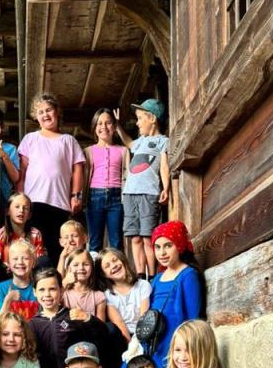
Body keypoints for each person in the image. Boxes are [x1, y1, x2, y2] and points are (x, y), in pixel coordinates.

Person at [112, 221, 203, 368]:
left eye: (168, 246)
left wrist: (186, 349)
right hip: (151, 341)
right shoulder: (157, 279)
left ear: (180, 245)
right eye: (158, 247)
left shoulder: (188, 275)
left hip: (173, 343)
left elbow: (193, 318)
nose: (162, 252)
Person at [29, 268, 107, 368]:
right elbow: (36, 356)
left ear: (62, 290)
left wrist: (88, 318)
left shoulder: (73, 315)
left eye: (52, 289)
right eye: (42, 290)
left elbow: (103, 335)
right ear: (34, 292)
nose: (47, 295)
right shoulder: (32, 324)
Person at [17, 93, 86, 264]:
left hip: (59, 202)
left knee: (57, 249)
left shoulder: (68, 140)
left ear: (57, 112)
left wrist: (76, 195)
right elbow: (22, 170)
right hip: (34, 202)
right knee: (34, 248)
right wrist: (20, 195)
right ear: (36, 117)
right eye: (41, 112)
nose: (45, 115)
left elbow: (78, 169)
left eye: (49, 110)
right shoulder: (30, 139)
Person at [114, 99, 170, 278]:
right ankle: (140, 275)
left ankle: (152, 275)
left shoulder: (163, 141)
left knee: (148, 237)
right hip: (130, 193)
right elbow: (129, 143)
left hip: (149, 193)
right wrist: (117, 127)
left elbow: (163, 166)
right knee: (135, 237)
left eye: (140, 118)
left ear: (152, 119)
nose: (137, 123)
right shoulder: (139, 142)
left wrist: (166, 188)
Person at [84, 108, 128, 255]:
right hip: (94, 196)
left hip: (117, 197)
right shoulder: (89, 151)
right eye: (100, 123)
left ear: (114, 127)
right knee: (95, 240)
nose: (104, 127)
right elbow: (84, 176)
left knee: (116, 241)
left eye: (108, 123)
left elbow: (127, 174)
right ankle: (94, 276)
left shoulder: (123, 150)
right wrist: (81, 198)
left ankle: (116, 276)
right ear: (94, 127)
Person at [0, 192, 46, 285]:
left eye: (26, 208)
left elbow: (39, 260)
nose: (21, 211)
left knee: (44, 260)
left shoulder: (35, 234)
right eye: (17, 207)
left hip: (29, 273)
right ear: (8, 211)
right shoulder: (1, 234)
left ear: (30, 215)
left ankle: (37, 289)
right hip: (8, 273)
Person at [98, 248, 151, 343]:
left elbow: (144, 317)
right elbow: (119, 323)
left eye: (115, 260)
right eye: (107, 266)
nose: (113, 266)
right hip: (124, 336)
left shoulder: (143, 285)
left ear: (122, 260)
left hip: (144, 332)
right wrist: (130, 347)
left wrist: (138, 343)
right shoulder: (108, 295)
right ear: (104, 274)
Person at [0, 239, 39, 321]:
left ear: (33, 263)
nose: (20, 262)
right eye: (15, 259)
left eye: (25, 258)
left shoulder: (39, 287)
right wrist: (8, 299)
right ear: (8, 263)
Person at [63, 248, 107, 322]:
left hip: (90, 332)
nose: (81, 268)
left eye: (86, 264)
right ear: (68, 268)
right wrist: (65, 282)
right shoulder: (63, 293)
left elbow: (101, 328)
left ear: (92, 268)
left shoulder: (99, 296)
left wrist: (86, 316)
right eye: (76, 265)